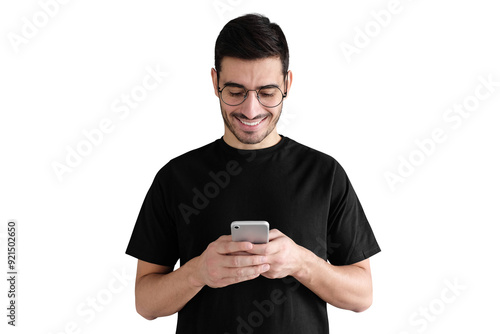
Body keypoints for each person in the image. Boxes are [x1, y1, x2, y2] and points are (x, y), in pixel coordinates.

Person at [125, 13, 381, 333]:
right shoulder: (175, 177)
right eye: (235, 91)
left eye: (267, 92)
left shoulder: (324, 174)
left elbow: (362, 295)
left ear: (287, 84)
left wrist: (301, 262)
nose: (251, 109)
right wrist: (198, 273)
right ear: (215, 82)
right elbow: (145, 302)